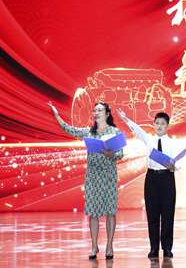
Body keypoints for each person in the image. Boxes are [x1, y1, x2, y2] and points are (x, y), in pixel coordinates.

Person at [48, 100, 123, 260]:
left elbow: (120, 154)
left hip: (108, 176)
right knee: (92, 212)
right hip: (93, 176)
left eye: (100, 110)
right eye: (95, 110)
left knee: (110, 211)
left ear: (107, 114)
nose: (96, 113)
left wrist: (112, 155)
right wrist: (56, 115)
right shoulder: (89, 132)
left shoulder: (114, 131)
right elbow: (69, 129)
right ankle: (94, 246)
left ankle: (109, 246)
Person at [117, 109, 181, 258]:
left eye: (163, 124)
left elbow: (178, 162)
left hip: (167, 178)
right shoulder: (149, 140)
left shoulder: (173, 143)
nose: (159, 126)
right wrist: (126, 119)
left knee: (167, 213)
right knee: (152, 214)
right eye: (157, 123)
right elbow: (138, 131)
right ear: (153, 124)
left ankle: (167, 248)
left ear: (168, 126)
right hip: (152, 177)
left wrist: (174, 167)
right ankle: (154, 248)